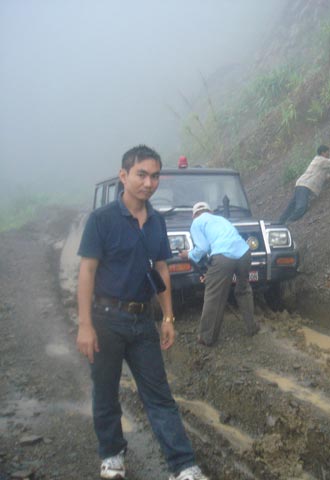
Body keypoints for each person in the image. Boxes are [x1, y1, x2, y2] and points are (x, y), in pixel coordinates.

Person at [76, 145, 208, 480]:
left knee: (159, 395)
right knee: (106, 392)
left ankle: (183, 466)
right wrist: (85, 325)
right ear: (123, 176)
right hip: (105, 320)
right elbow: (87, 271)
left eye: (155, 176)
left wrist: (168, 317)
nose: (149, 183)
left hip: (142, 321)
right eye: (141, 175)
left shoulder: (156, 222)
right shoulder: (102, 220)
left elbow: (161, 269)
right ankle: (112, 455)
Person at [178, 202, 259, 346]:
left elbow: (203, 247)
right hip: (244, 253)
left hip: (223, 257)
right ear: (210, 211)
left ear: (194, 215)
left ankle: (206, 337)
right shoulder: (221, 219)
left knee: (214, 295)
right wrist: (211, 274)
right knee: (243, 289)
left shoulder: (197, 222)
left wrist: (189, 255)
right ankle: (252, 327)